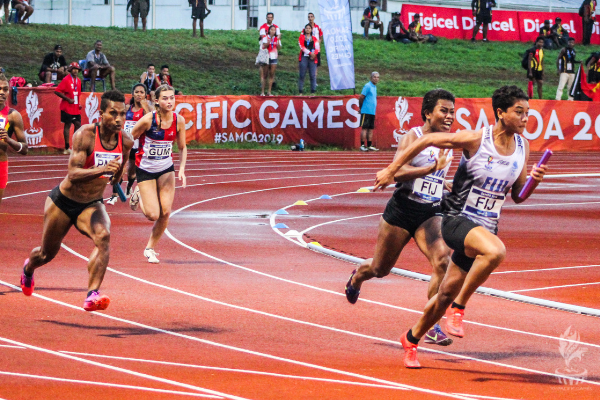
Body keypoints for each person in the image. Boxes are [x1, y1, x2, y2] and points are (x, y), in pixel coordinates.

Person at [373, 85, 548, 368]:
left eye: (528, 113)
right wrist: (392, 170)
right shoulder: (477, 139)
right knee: (496, 253)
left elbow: (517, 195)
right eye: (520, 112)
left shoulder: (523, 147)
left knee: (443, 294)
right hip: (457, 219)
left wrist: (534, 181)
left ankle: (412, 338)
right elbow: (424, 142)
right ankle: (459, 309)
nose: (526, 118)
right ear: (501, 113)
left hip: (485, 226)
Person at [346, 89, 456, 347]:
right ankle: (357, 277)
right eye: (444, 110)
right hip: (402, 210)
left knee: (443, 261)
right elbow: (398, 170)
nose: (450, 116)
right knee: (379, 269)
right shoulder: (413, 137)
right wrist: (430, 169)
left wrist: (443, 182)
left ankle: (431, 325)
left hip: (429, 213)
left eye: (452, 111)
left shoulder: (450, 140)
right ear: (428, 113)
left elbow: (436, 176)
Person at [19, 90, 133, 311]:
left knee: (104, 236)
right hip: (63, 201)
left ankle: (92, 294)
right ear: (101, 114)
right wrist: (102, 168)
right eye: (113, 113)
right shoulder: (85, 135)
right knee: (45, 254)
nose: (119, 119)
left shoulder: (125, 142)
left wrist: (119, 178)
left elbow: (118, 174)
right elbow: (73, 173)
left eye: (123, 114)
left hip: (91, 203)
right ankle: (28, 270)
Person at [129, 84, 187, 264]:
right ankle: (138, 191)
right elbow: (130, 138)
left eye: (172, 98)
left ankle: (150, 248)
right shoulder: (148, 120)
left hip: (166, 169)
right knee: (153, 215)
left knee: (166, 212)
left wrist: (182, 169)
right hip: (145, 169)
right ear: (156, 100)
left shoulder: (179, 121)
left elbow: (183, 147)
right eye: (165, 98)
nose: (169, 101)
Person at [107, 83, 154, 204]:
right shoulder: (127, 108)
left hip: (138, 145)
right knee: (120, 169)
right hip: (125, 144)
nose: (139, 94)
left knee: (132, 172)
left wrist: (146, 107)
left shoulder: (147, 109)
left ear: (145, 95)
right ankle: (114, 195)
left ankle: (128, 187)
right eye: (137, 92)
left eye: (142, 92)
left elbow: (153, 122)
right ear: (133, 93)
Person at [0, 73, 28, 205]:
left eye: (5, 89)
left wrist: (9, 140)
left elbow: (25, 149)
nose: (2, 92)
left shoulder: (13, 116)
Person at [55, 62, 82, 155]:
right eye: (74, 69)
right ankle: (66, 147)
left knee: (78, 125)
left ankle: (75, 146)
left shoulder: (78, 81)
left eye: (77, 69)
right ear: (70, 70)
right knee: (68, 125)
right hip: (67, 107)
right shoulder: (66, 79)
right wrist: (67, 99)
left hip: (75, 107)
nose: (75, 70)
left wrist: (78, 104)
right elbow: (57, 91)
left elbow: (77, 94)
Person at [358, 72, 380, 152]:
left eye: (377, 77)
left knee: (370, 129)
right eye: (374, 77)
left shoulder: (374, 87)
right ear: (371, 78)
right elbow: (361, 97)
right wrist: (361, 108)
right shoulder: (367, 86)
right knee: (364, 128)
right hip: (366, 110)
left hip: (372, 112)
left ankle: (369, 145)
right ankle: (362, 145)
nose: (376, 78)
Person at [260, 25, 281, 97]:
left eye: (274, 30)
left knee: (272, 74)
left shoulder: (276, 38)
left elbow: (279, 47)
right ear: (269, 30)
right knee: (265, 74)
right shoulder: (266, 37)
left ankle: (269, 91)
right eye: (271, 30)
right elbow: (264, 46)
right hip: (267, 56)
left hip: (274, 57)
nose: (273, 31)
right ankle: (262, 91)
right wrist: (270, 40)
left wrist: (278, 41)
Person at [298, 24, 319, 96]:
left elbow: (317, 48)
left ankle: (313, 92)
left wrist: (314, 54)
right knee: (302, 75)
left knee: (313, 75)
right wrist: (310, 53)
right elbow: (302, 47)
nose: (307, 29)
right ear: (304, 29)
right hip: (304, 56)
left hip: (313, 58)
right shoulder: (301, 37)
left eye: (309, 28)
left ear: (311, 30)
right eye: (306, 28)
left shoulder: (314, 38)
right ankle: (300, 92)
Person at [306, 12, 322, 81]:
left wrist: (318, 44)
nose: (310, 18)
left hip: (316, 49)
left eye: (311, 17)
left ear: (314, 18)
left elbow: (321, 37)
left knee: (316, 65)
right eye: (309, 17)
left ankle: (314, 80)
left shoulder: (317, 27)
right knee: (308, 64)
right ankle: (310, 78)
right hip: (308, 48)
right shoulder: (306, 27)